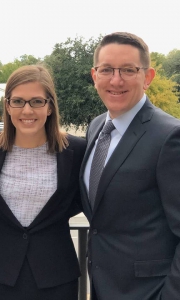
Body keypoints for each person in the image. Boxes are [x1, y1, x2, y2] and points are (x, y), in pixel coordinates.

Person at [0, 65, 86, 300]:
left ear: (50, 106)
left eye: (36, 101)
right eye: (18, 101)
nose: (26, 110)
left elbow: (78, 201)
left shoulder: (76, 150)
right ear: (7, 105)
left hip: (56, 276)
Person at [79, 32, 180, 300]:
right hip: (102, 287)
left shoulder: (169, 137)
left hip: (149, 292)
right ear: (94, 75)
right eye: (107, 70)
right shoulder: (96, 127)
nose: (116, 80)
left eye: (128, 70)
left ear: (148, 77)